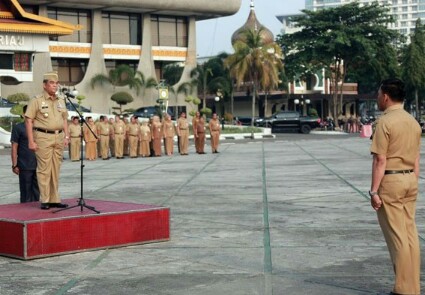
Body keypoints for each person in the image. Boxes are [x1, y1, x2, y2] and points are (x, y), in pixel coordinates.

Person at [369, 78, 421, 295]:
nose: (378, 98)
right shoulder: (413, 122)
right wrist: (413, 179)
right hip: (410, 179)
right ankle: (413, 287)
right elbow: (417, 158)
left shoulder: (385, 122)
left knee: (396, 236)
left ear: (386, 97)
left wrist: (373, 191)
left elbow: (380, 159)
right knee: (410, 235)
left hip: (391, 181)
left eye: (379, 94)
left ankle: (402, 289)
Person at [25, 71, 69, 210]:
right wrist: (31, 141)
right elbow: (28, 120)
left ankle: (55, 199)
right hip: (43, 137)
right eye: (51, 83)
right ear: (44, 85)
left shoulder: (61, 100)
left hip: (59, 137)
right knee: (44, 169)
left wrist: (66, 136)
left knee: (56, 169)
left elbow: (64, 120)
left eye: (56, 83)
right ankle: (45, 199)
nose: (55, 86)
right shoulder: (37, 100)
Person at [11, 105, 40, 203]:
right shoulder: (18, 127)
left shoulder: (39, 128)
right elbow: (14, 147)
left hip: (39, 164)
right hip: (25, 165)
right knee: (26, 193)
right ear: (23, 115)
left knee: (37, 192)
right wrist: (14, 164)